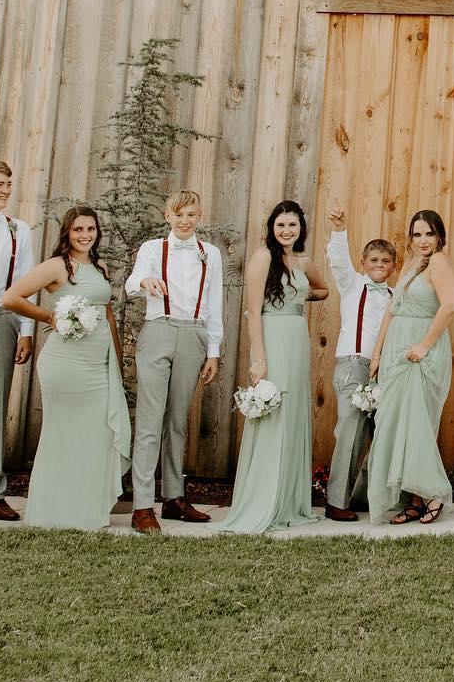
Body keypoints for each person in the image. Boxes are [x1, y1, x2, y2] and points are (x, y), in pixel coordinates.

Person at [4, 207, 130, 530]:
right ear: (67, 233)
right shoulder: (57, 266)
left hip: (98, 366)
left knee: (95, 436)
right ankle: (53, 511)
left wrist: (116, 361)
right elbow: (12, 298)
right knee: (62, 436)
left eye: (90, 229)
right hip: (65, 364)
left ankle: (86, 509)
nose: (85, 235)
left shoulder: (100, 267)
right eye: (78, 230)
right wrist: (51, 318)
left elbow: (108, 314)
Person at [217, 201, 327, 533]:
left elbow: (323, 289)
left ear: (301, 228)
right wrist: (260, 359)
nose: (286, 231)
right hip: (271, 338)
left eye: (292, 225)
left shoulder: (303, 261)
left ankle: (288, 502)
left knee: (292, 413)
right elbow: (253, 311)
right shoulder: (263, 257)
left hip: (297, 338)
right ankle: (263, 500)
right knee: (272, 412)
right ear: (272, 227)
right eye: (281, 225)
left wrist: (300, 296)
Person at [124, 189, 225, 532]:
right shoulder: (153, 249)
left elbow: (214, 304)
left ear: (200, 217)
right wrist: (144, 280)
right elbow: (130, 285)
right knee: (150, 421)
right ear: (167, 216)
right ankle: (142, 506)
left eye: (191, 215)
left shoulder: (210, 253)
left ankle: (173, 499)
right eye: (178, 215)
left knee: (178, 420)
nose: (185, 221)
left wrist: (213, 351)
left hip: (194, 334)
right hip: (159, 330)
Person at [367, 209, 454, 525]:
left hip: (422, 351)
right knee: (399, 425)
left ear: (440, 236)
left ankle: (434, 493)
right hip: (397, 351)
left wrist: (424, 345)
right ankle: (416, 500)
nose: (423, 240)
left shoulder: (439, 262)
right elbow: (391, 311)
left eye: (429, 234)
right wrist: (377, 353)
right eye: (417, 234)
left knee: (418, 423)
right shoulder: (411, 263)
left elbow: (449, 306)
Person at [322, 207, 398, 522]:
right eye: (374, 260)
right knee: (351, 430)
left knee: (382, 432)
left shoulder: (395, 294)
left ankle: (363, 495)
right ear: (363, 263)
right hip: (353, 364)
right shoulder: (352, 284)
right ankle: (336, 501)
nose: (379, 265)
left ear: (394, 266)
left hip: (385, 368)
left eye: (386, 261)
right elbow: (339, 261)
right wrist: (339, 228)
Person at [0, 158, 35, 522]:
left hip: (0, 319)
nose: (5, 190)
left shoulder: (19, 230)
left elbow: (26, 283)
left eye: (8, 183)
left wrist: (26, 330)